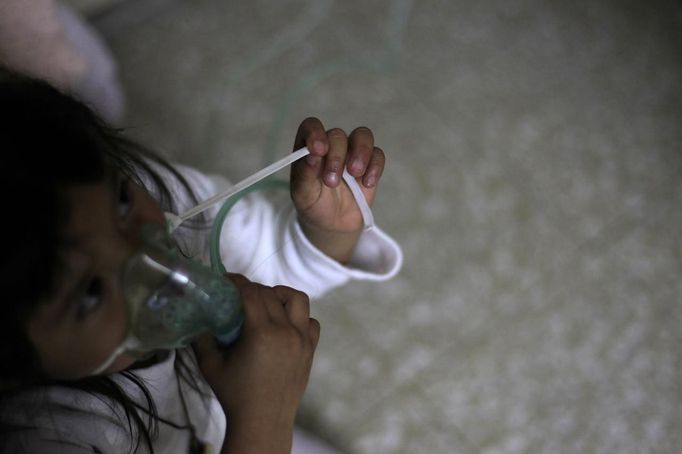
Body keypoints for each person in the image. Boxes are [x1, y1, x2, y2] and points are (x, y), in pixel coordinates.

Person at [0, 68, 402, 453]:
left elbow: (265, 251)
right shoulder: (40, 438)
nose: (150, 257)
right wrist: (264, 422)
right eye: (91, 293)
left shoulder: (155, 194)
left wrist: (330, 230)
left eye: (122, 204)